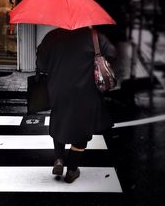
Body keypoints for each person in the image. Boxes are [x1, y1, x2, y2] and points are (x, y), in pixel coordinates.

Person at [36, 26, 117, 183]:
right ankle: (72, 170)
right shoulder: (94, 37)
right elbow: (112, 53)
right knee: (82, 129)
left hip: (58, 89)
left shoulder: (52, 36)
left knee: (59, 120)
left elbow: (42, 65)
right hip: (86, 92)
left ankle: (59, 159)